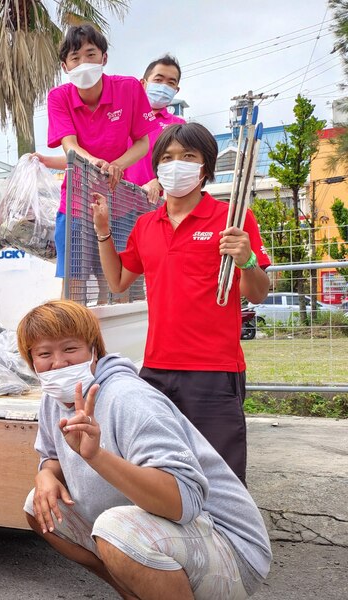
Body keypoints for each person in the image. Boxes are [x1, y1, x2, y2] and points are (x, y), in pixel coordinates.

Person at [16, 300, 271, 599]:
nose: (58, 363)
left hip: (231, 550)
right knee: (40, 505)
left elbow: (181, 503)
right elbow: (52, 457)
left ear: (94, 350)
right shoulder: (53, 399)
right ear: (31, 361)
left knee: (118, 530)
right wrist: (45, 475)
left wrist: (97, 456)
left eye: (70, 349)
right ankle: (132, 592)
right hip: (169, 533)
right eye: (44, 354)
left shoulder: (129, 398)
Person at [91, 123, 271, 482]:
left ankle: (229, 537)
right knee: (161, 468)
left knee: (221, 475)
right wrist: (103, 233)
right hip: (156, 368)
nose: (177, 165)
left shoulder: (232, 219)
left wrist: (247, 260)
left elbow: (258, 293)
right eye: (169, 157)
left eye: (188, 157)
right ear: (157, 166)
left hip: (215, 369)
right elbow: (118, 281)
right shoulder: (146, 224)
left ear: (205, 167)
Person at [39, 24, 153, 288]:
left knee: (113, 282)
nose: (83, 63)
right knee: (73, 280)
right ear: (65, 66)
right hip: (77, 201)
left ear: (104, 57)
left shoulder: (129, 88)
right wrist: (95, 164)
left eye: (90, 54)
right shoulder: (58, 97)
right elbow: (69, 145)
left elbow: (143, 143)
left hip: (121, 202)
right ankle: (73, 329)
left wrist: (117, 165)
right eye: (75, 58)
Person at [124, 55, 187, 204]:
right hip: (115, 200)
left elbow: (181, 166)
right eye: (158, 80)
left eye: (171, 83)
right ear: (143, 83)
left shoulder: (179, 126)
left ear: (176, 90)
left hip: (151, 204)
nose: (164, 86)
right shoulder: (121, 117)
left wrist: (158, 183)